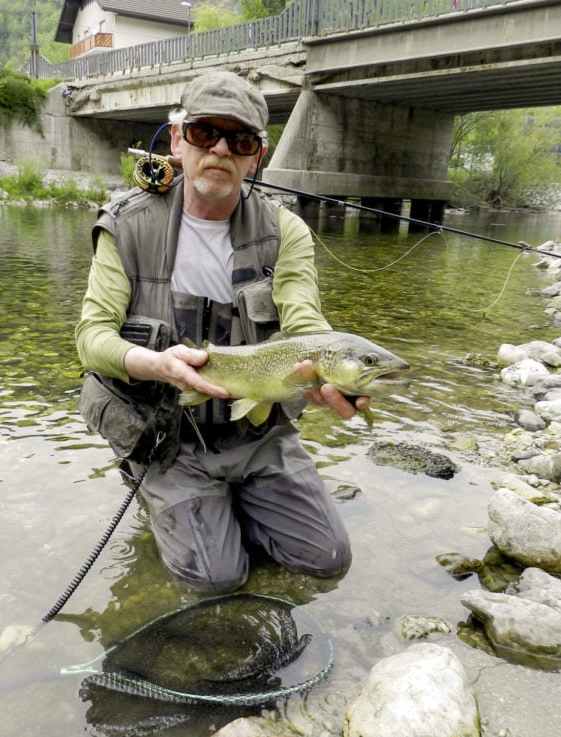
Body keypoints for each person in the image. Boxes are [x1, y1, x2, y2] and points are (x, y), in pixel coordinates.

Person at [75, 70, 369, 594]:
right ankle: (181, 503)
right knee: (215, 581)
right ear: (176, 140)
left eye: (240, 140)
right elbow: (92, 339)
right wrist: (157, 365)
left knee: (328, 561)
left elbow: (304, 321)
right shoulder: (125, 226)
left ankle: (233, 506)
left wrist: (328, 376)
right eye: (204, 133)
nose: (220, 150)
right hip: (170, 438)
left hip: (258, 435)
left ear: (257, 154)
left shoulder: (287, 231)